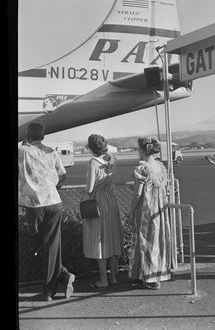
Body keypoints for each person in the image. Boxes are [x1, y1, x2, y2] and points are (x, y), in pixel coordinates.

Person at [18, 123, 75, 301]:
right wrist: (51, 183)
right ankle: (64, 276)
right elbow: (63, 175)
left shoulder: (23, 152)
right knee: (49, 244)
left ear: (27, 136)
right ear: (42, 136)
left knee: (41, 242)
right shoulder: (52, 152)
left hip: (33, 204)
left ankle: (50, 290)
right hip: (53, 201)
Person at [128, 137, 171, 290]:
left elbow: (138, 194)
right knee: (157, 240)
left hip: (146, 208)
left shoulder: (142, 168)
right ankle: (154, 273)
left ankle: (149, 277)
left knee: (145, 240)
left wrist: (131, 210)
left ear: (142, 150)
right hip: (159, 207)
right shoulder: (160, 166)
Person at [82, 134, 122, 289]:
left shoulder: (93, 162)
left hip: (97, 201)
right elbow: (109, 156)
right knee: (111, 236)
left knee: (99, 239)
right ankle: (113, 277)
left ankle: (103, 280)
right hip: (110, 200)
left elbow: (90, 188)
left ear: (92, 148)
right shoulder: (112, 160)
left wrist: (85, 189)